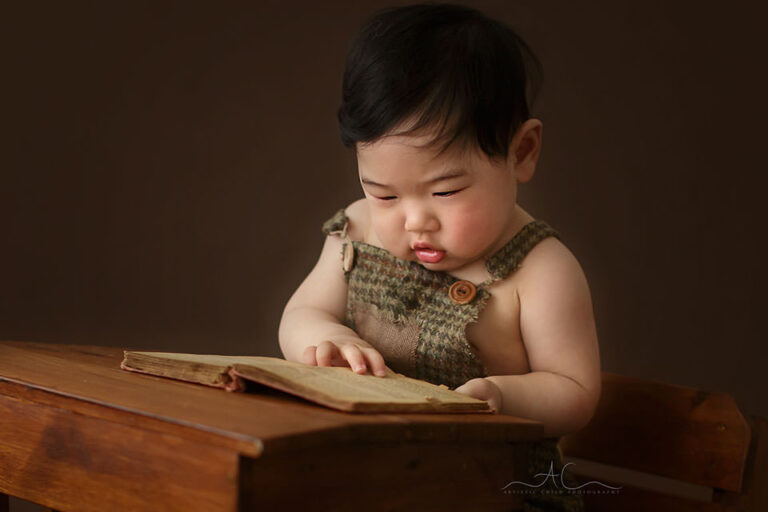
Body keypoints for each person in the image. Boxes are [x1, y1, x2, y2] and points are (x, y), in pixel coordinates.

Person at [279, 4, 599, 510]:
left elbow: (575, 390)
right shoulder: (357, 230)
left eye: (445, 192)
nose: (414, 221)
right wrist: (327, 338)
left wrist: (500, 396)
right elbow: (301, 314)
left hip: (494, 484)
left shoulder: (540, 269)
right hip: (373, 472)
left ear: (522, 152)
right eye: (384, 194)